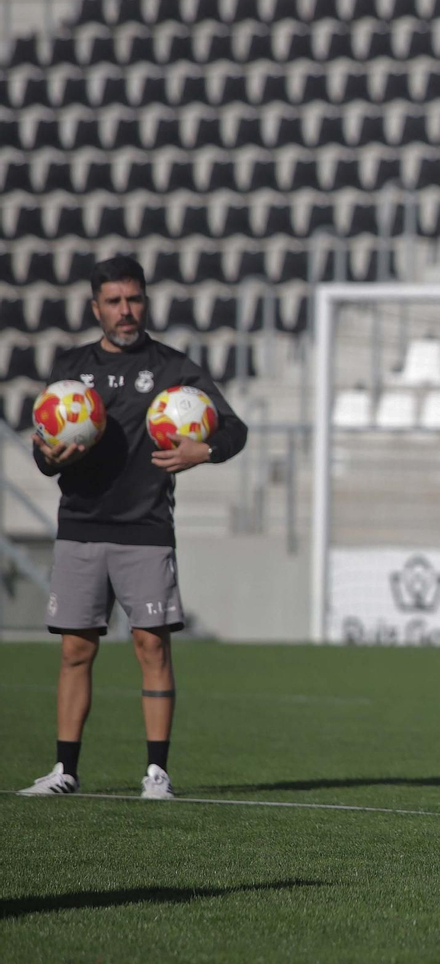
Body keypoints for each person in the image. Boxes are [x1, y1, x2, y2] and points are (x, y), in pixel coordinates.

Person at [18, 255, 248, 800]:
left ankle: (157, 775)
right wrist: (50, 456)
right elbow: (44, 454)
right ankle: (63, 771)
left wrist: (204, 450)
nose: (127, 310)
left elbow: (234, 428)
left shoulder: (173, 368)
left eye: (135, 299)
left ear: (146, 300)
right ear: (95, 307)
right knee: (76, 650)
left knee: (152, 646)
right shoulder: (72, 368)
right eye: (115, 301)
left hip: (145, 528)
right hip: (80, 526)